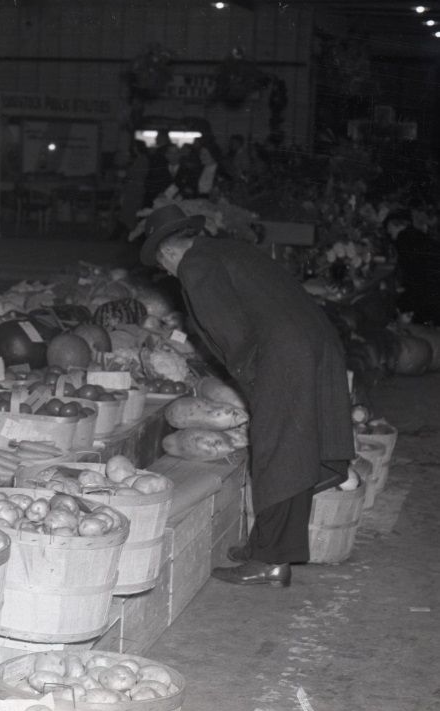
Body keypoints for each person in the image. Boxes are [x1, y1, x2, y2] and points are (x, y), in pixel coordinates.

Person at [139, 204, 354, 587]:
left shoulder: (194, 265)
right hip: (312, 344)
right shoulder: (225, 249)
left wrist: (251, 381)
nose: (168, 274)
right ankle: (266, 547)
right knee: (293, 450)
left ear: (168, 252)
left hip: (284, 355)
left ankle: (270, 561)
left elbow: (229, 331)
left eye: (163, 267)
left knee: (279, 452)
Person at [385, 209, 440, 325]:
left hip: (429, 284)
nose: (388, 231)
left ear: (397, 225)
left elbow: (412, 268)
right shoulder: (415, 234)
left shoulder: (403, 238)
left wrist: (405, 288)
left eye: (389, 227)